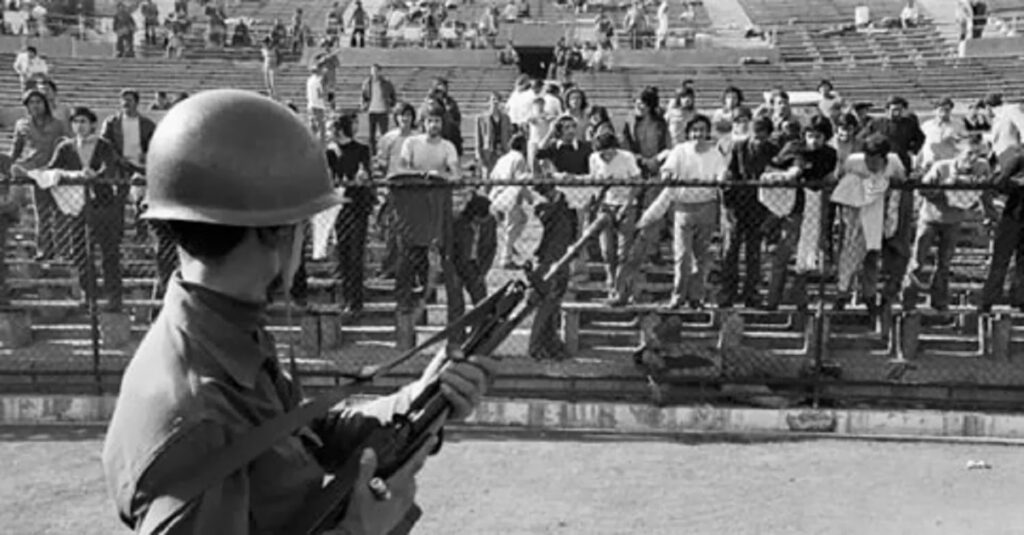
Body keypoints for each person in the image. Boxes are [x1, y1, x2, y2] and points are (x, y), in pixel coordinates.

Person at [101, 89, 494, 533]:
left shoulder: (224, 334)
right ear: (276, 234)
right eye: (302, 227)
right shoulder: (197, 415)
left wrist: (421, 400)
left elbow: (304, 433)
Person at [635, 115, 725, 309]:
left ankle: (696, 297)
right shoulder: (680, 151)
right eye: (694, 130)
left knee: (702, 256)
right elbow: (667, 170)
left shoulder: (715, 153)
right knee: (682, 255)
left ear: (707, 132)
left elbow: (721, 173)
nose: (698, 134)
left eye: (702, 130)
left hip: (706, 206)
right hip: (683, 207)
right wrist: (668, 176)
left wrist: (722, 178)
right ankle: (678, 296)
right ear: (688, 132)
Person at [45, 106, 125, 311]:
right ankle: (89, 295)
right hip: (77, 206)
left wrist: (94, 175)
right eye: (76, 122)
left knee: (109, 251)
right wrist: (74, 175)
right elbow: (53, 168)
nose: (79, 126)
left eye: (83, 121)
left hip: (102, 203)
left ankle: (113, 296)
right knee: (81, 252)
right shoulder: (65, 147)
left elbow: (109, 167)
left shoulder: (103, 144)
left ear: (92, 124)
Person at [904, 134, 991, 311]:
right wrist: (944, 189)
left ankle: (939, 300)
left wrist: (988, 211)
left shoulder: (982, 167)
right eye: (969, 153)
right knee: (918, 261)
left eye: (977, 154)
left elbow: (986, 191)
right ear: (959, 152)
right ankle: (908, 298)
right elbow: (923, 189)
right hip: (931, 217)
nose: (973, 158)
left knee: (945, 263)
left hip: (954, 220)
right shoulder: (942, 167)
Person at [718, 116, 778, 308]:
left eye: (762, 132)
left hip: (760, 207)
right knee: (730, 250)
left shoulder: (773, 151)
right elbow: (728, 175)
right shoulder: (738, 147)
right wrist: (728, 205)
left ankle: (751, 293)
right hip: (737, 204)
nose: (757, 136)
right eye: (755, 131)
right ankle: (728, 292)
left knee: (754, 252)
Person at [10, 89, 68, 261]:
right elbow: (16, 150)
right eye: (31, 103)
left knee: (59, 213)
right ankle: (44, 249)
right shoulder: (22, 125)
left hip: (55, 171)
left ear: (45, 104)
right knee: (41, 214)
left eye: (38, 102)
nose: (35, 106)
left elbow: (67, 145)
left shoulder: (58, 124)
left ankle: (63, 250)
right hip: (35, 172)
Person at [327, 114, 373, 315]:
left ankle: (356, 301)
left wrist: (362, 176)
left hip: (357, 204)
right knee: (343, 254)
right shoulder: (330, 152)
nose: (329, 133)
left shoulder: (362, 149)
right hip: (339, 206)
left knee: (356, 254)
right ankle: (346, 298)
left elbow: (365, 172)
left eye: (332, 129)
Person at [451, 194, 497, 304]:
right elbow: (451, 247)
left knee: (481, 299)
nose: (482, 221)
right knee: (456, 300)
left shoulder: (489, 222)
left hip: (475, 265)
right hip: (457, 263)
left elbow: (491, 247)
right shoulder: (458, 222)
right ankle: (457, 320)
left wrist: (483, 271)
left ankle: (482, 320)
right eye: (480, 218)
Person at [361, 64, 398, 156]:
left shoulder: (386, 83)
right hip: (371, 111)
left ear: (380, 71)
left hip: (383, 111)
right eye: (373, 71)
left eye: (376, 71)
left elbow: (393, 94)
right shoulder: (367, 83)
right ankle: (372, 155)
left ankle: (384, 153)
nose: (374, 73)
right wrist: (364, 105)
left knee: (384, 134)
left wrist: (392, 104)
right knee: (371, 136)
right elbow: (364, 95)